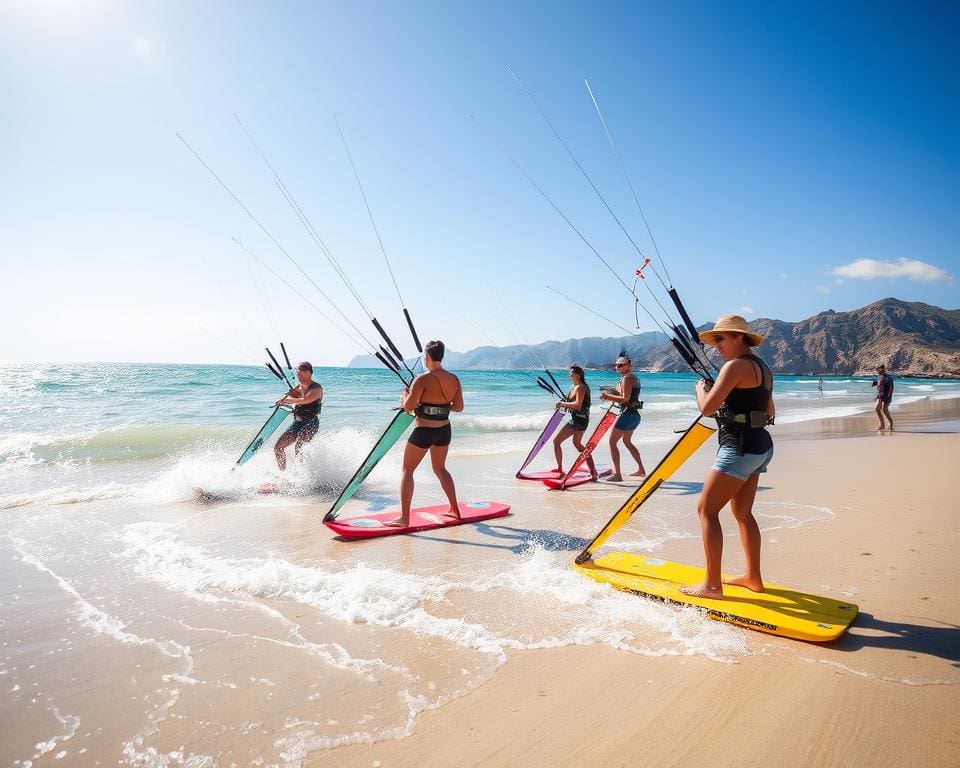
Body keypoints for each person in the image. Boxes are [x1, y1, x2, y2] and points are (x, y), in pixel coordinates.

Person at [679, 315, 776, 600]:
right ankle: (753, 578)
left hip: (738, 449)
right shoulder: (763, 368)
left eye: (720, 339)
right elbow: (770, 411)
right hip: (761, 448)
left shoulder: (734, 367)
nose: (716, 346)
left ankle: (712, 586)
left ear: (738, 337)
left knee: (706, 511)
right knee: (743, 513)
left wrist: (701, 391)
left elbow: (707, 409)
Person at [386, 340, 464, 527]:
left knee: (407, 471)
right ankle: (455, 509)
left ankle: (404, 518)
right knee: (440, 469)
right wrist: (439, 406)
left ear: (427, 357)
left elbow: (408, 408)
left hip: (423, 432)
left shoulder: (421, 379)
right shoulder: (454, 379)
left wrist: (406, 393)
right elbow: (459, 407)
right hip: (444, 430)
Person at [599, 356, 645, 482]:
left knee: (612, 443)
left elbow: (625, 398)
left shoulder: (627, 378)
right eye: (616, 365)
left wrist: (607, 397)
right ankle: (641, 469)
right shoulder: (634, 378)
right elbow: (627, 396)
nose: (617, 367)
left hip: (627, 415)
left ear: (628, 365)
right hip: (634, 416)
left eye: (620, 365)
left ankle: (618, 475)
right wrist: (609, 390)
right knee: (627, 442)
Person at [273, 362, 324, 470]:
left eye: (299, 372)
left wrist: (288, 400)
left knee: (299, 448)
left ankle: (304, 477)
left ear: (307, 372)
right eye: (297, 373)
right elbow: (290, 395)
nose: (297, 375)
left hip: (311, 423)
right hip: (298, 423)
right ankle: (283, 473)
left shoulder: (316, 388)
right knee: (278, 447)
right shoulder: (300, 387)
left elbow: (305, 400)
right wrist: (282, 400)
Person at [551, 365, 597, 479]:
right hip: (581, 419)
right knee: (577, 444)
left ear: (578, 375)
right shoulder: (574, 388)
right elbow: (570, 404)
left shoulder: (581, 387)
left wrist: (562, 404)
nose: (570, 376)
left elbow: (577, 405)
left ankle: (560, 469)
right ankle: (593, 472)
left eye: (571, 374)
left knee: (556, 441)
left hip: (578, 420)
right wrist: (563, 404)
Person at [872, 364, 894, 431]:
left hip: (886, 396)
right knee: (877, 409)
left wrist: (888, 396)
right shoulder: (879, 377)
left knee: (884, 410)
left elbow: (891, 387)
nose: (877, 371)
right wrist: (874, 383)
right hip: (879, 395)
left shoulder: (888, 378)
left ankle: (891, 424)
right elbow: (878, 384)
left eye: (878, 370)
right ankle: (882, 425)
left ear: (882, 370)